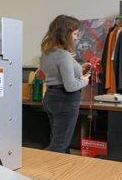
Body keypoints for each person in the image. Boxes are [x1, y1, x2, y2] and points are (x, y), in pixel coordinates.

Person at [39, 15, 91, 154]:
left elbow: (57, 73)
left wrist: (79, 67)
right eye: (74, 34)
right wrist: (84, 81)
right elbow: (70, 86)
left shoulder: (46, 53)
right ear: (65, 34)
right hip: (65, 99)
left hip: (51, 97)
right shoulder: (63, 55)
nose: (76, 37)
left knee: (56, 139)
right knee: (60, 144)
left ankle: (57, 171)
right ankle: (57, 174)